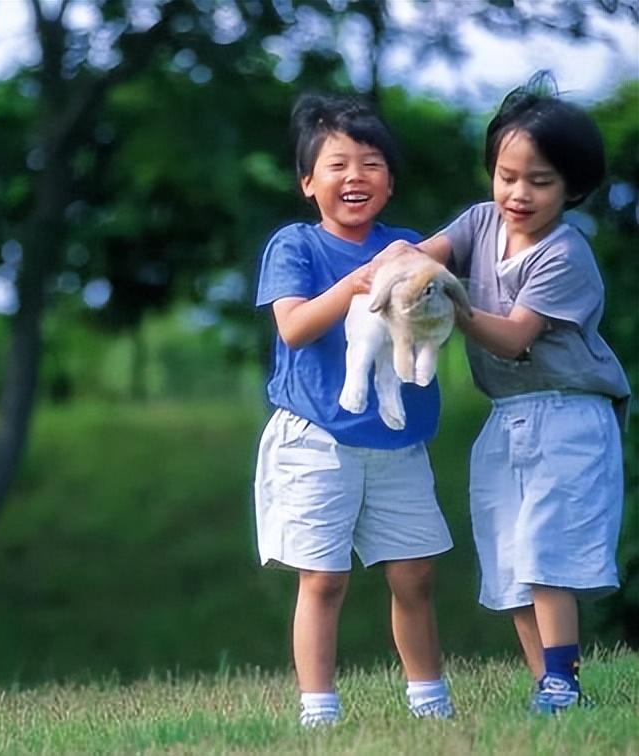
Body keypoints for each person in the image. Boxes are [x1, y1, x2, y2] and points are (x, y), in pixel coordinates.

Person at [414, 74, 631, 714]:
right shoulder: (481, 222)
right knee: (509, 555)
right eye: (507, 175)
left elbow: (511, 339)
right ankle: (549, 685)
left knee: (546, 550)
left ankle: (563, 680)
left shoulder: (564, 253)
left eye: (540, 182)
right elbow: (427, 255)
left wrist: (447, 302)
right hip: (506, 415)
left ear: (574, 189)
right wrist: (397, 264)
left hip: (568, 415)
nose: (518, 193)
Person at [253, 93, 455, 728]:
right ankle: (319, 711)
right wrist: (356, 282)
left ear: (390, 182)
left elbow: (436, 305)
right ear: (307, 182)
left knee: (415, 575)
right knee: (323, 579)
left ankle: (431, 703)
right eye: (336, 165)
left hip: (399, 438)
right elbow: (293, 328)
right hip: (316, 438)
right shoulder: (296, 246)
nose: (354, 178)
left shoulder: (410, 247)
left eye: (370, 164)